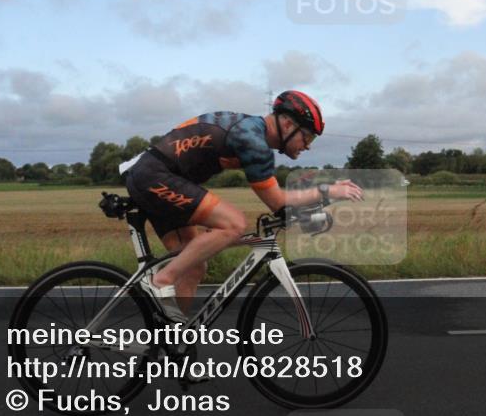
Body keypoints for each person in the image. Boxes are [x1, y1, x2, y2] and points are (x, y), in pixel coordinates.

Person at [118, 90, 363, 322]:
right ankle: (160, 281)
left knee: (193, 267)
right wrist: (327, 191)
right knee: (234, 224)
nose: (308, 144)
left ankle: (171, 342)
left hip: (154, 176)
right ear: (288, 124)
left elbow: (281, 205)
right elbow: (277, 201)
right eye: (307, 136)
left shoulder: (253, 133)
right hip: (155, 176)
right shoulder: (252, 139)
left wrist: (321, 197)